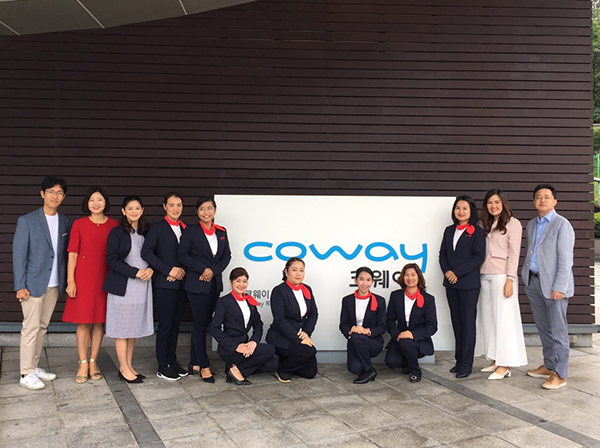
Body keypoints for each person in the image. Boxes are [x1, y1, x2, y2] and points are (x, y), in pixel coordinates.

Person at [13, 176, 72, 390]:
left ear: (63, 197)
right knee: (30, 328)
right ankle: (26, 373)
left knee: (42, 327)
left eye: (59, 193)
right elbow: (19, 255)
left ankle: (33, 367)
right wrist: (20, 285)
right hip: (32, 284)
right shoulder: (27, 221)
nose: (55, 196)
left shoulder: (65, 222)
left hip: (54, 284)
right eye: (51, 191)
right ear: (42, 194)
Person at [521, 184, 575, 390]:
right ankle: (549, 365)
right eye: (538, 197)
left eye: (546, 197)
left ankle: (560, 374)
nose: (542, 200)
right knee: (544, 328)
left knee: (558, 331)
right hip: (534, 282)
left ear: (555, 201)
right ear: (534, 202)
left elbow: (565, 259)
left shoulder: (562, 225)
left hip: (554, 286)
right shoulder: (532, 224)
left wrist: (560, 286)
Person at [63, 187, 119, 383]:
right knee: (83, 321)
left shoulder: (114, 225)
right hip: (83, 278)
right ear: (87, 203)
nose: (96, 203)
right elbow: (72, 254)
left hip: (105, 277)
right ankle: (83, 363)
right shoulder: (79, 224)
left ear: (106, 202)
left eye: (100, 199)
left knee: (99, 321)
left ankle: (93, 361)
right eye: (92, 200)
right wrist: (70, 281)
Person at [178, 196, 231, 383]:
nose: (206, 212)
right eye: (202, 209)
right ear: (197, 212)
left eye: (209, 208)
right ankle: (204, 365)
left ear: (215, 210)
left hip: (214, 284)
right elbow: (182, 255)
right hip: (197, 284)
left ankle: (194, 362)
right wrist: (203, 270)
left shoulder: (221, 231)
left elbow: (226, 256)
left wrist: (213, 271)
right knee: (200, 324)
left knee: (205, 323)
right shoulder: (191, 231)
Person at [475, 189, 527, 380]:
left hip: (502, 275)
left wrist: (510, 279)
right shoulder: (484, 223)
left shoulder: (513, 223)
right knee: (489, 319)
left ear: (503, 203)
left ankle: (505, 364)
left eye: (497, 202)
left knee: (504, 319)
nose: (493, 206)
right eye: (490, 202)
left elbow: (514, 253)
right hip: (484, 273)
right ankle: (496, 358)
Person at [103, 196, 154, 384]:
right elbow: (111, 259)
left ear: (142, 210)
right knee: (122, 329)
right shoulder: (117, 232)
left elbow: (154, 255)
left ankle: (129, 365)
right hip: (123, 286)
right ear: (123, 211)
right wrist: (135, 272)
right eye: (130, 208)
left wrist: (151, 269)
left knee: (132, 329)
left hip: (141, 286)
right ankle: (123, 368)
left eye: (137, 208)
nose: (134, 211)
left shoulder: (147, 231)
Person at [142, 192, 189, 381]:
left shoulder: (186, 228)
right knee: (166, 324)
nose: (176, 208)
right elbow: (147, 252)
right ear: (164, 207)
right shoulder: (157, 228)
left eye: (179, 205)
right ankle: (163, 365)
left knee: (176, 324)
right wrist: (168, 270)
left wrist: (181, 271)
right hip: (165, 283)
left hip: (182, 283)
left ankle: (172, 360)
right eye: (171, 205)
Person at [439, 195, 486, 378]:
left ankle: (466, 365)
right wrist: (447, 272)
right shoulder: (449, 230)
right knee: (457, 323)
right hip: (450, 284)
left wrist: (456, 273)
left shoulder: (477, 232)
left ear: (471, 211)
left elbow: (478, 257)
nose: (461, 211)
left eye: (465, 208)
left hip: (468, 285)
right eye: (458, 208)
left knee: (468, 324)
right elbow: (443, 254)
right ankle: (459, 361)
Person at [211, 267, 278, 385]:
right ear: (231, 282)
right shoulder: (224, 302)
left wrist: (253, 342)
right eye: (238, 281)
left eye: (244, 281)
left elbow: (258, 324)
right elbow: (214, 329)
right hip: (230, 349)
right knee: (270, 349)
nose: (241, 284)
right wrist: (235, 347)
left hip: (246, 345)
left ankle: (235, 368)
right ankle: (236, 369)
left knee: (273, 364)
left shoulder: (249, 301)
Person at [266, 257, 319, 382]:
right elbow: (280, 320)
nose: (298, 274)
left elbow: (313, 313)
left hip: (299, 334)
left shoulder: (307, 289)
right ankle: (282, 369)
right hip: (281, 336)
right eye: (294, 270)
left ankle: (287, 361)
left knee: (310, 373)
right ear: (286, 272)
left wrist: (306, 333)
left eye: (301, 270)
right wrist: (299, 339)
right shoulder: (279, 291)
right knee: (309, 351)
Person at [385, 263, 437, 383]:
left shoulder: (428, 299)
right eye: (406, 275)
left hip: (419, 340)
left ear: (419, 277)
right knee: (392, 362)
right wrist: (397, 335)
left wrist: (412, 335)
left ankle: (415, 371)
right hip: (400, 337)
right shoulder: (396, 296)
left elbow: (432, 326)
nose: (410, 278)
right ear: (402, 277)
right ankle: (407, 362)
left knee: (407, 341)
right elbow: (389, 320)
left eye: (413, 275)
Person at [339, 266, 386, 384]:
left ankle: (369, 370)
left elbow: (382, 327)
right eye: (361, 279)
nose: (365, 283)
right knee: (354, 369)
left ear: (372, 282)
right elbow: (343, 324)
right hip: (355, 340)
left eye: (368, 280)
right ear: (355, 280)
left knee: (357, 336)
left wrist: (367, 331)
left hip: (373, 342)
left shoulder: (379, 300)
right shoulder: (347, 300)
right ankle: (368, 368)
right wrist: (351, 330)